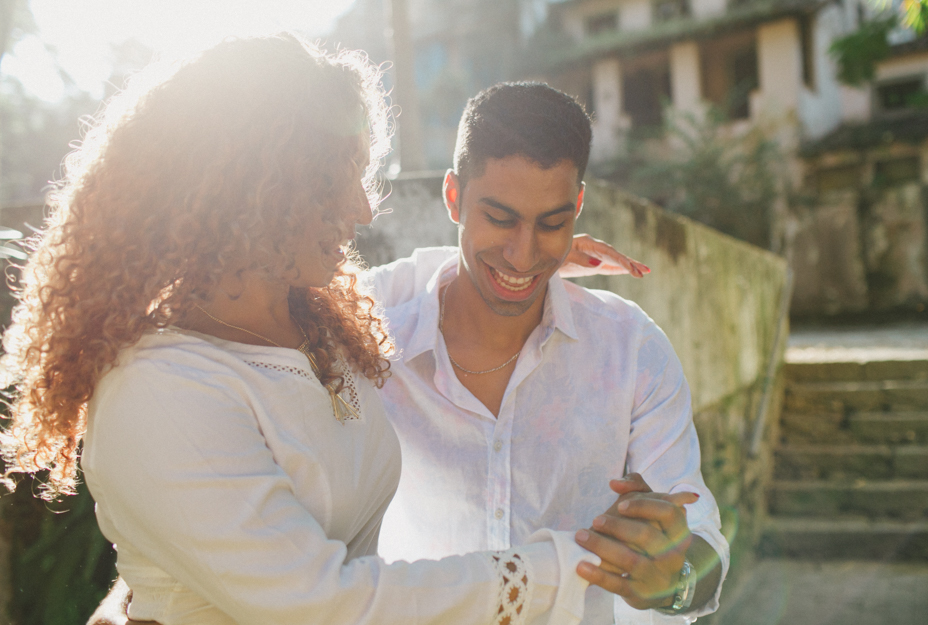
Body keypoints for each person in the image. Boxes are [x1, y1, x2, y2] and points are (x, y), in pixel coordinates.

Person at [0, 34, 646, 625]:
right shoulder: (160, 389)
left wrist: (529, 254)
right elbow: (323, 603)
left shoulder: (317, 321)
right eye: (333, 181)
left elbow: (429, 289)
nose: (361, 207)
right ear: (247, 188)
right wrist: (560, 565)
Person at [362, 83, 729, 624]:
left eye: (552, 223)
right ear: (453, 198)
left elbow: (701, 546)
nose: (524, 252)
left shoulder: (630, 348)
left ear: (579, 206)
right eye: (501, 218)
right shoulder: (371, 340)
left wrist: (674, 580)